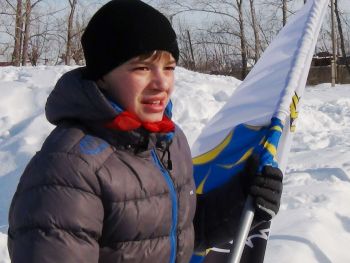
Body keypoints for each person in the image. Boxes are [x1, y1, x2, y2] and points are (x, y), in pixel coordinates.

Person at [7, 0, 283, 262]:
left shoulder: (167, 141)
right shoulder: (68, 170)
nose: (162, 83)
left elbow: (177, 233)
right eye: (142, 68)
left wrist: (244, 197)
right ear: (102, 76)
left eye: (169, 67)